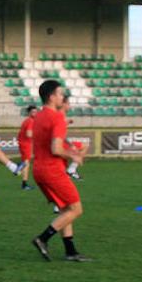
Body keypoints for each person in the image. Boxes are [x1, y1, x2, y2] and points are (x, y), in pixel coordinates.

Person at [30, 80, 91, 262]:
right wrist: (73, 155)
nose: (62, 96)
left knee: (66, 209)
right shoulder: (57, 117)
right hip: (52, 170)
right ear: (51, 97)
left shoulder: (38, 116)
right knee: (76, 209)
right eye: (60, 93)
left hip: (39, 169)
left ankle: (70, 251)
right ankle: (43, 238)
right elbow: (56, 148)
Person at [17, 105, 36, 190]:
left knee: (26, 162)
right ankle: (24, 184)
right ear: (29, 113)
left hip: (24, 143)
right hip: (25, 144)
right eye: (33, 112)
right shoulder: (30, 121)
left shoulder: (28, 120)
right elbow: (29, 134)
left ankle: (19, 168)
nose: (35, 113)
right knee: (26, 163)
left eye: (36, 112)